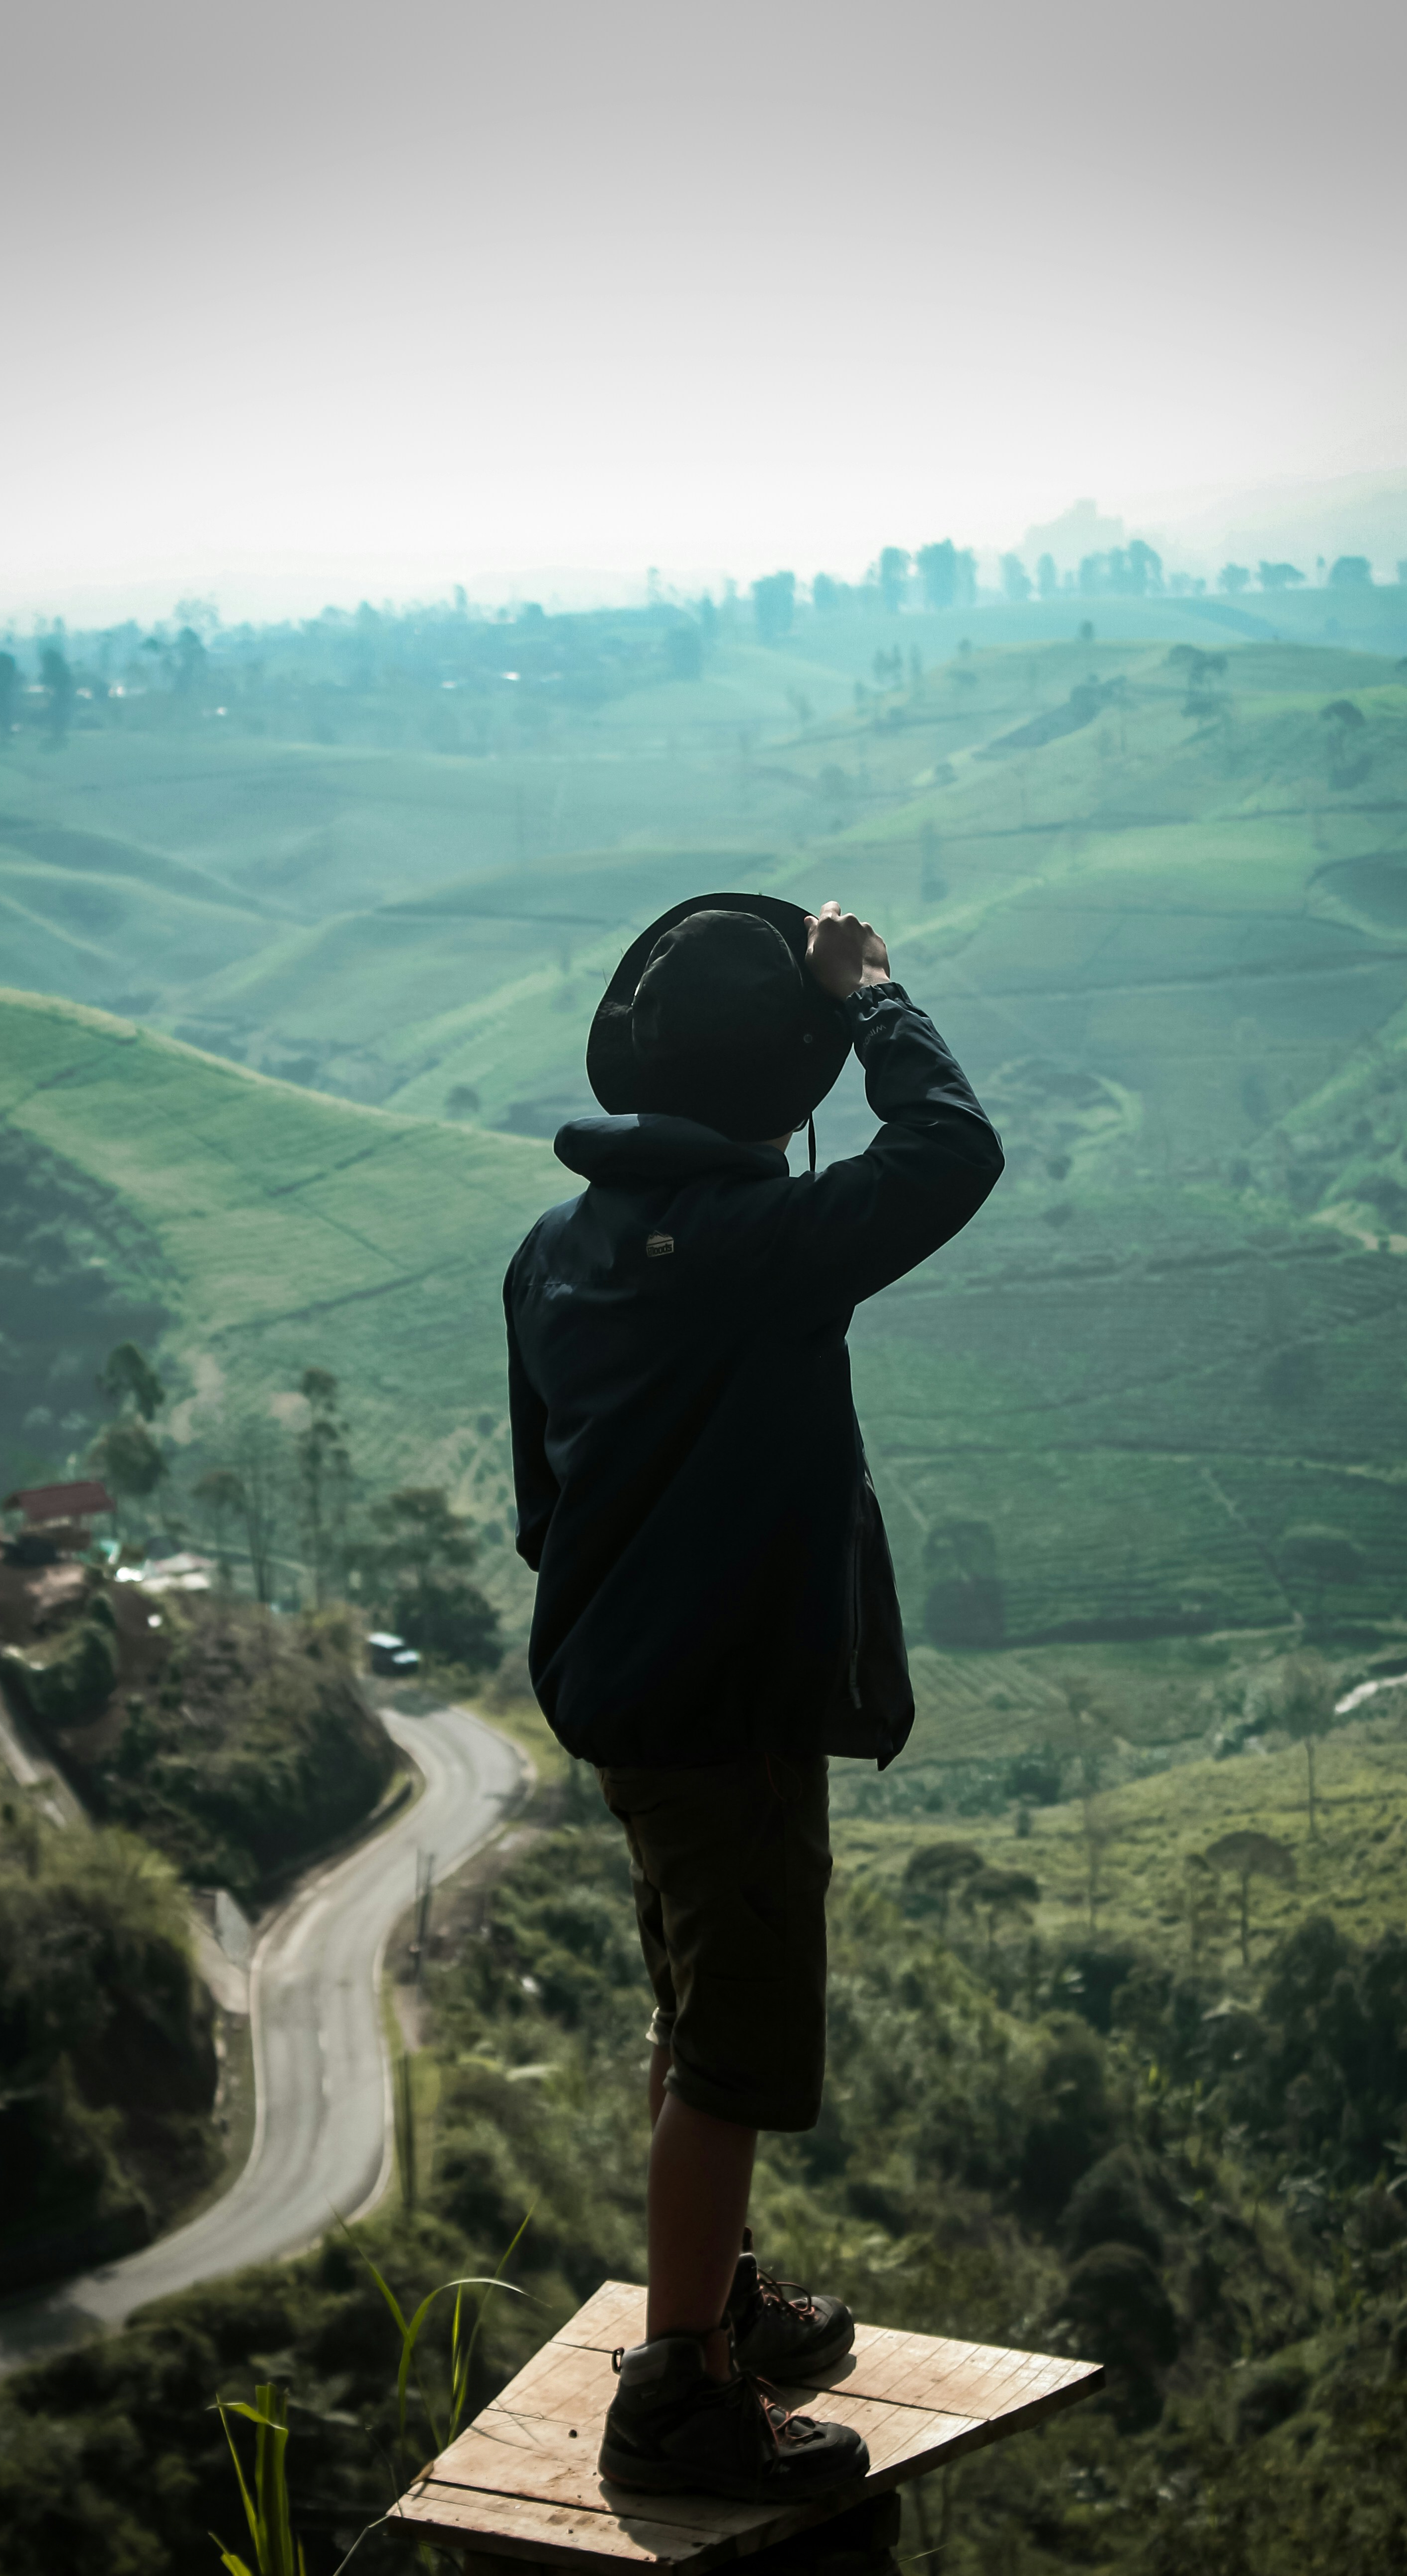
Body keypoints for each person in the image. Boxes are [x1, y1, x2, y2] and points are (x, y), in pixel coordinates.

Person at [503, 893, 1002, 2501]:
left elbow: (543, 1508)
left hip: (626, 1702)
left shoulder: (553, 1253)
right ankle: (682, 2396)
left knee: (692, 2006)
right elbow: (950, 1152)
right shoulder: (758, 1248)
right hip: (730, 1713)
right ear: (780, 1088)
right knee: (732, 2050)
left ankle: (710, 2302)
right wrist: (876, 996)